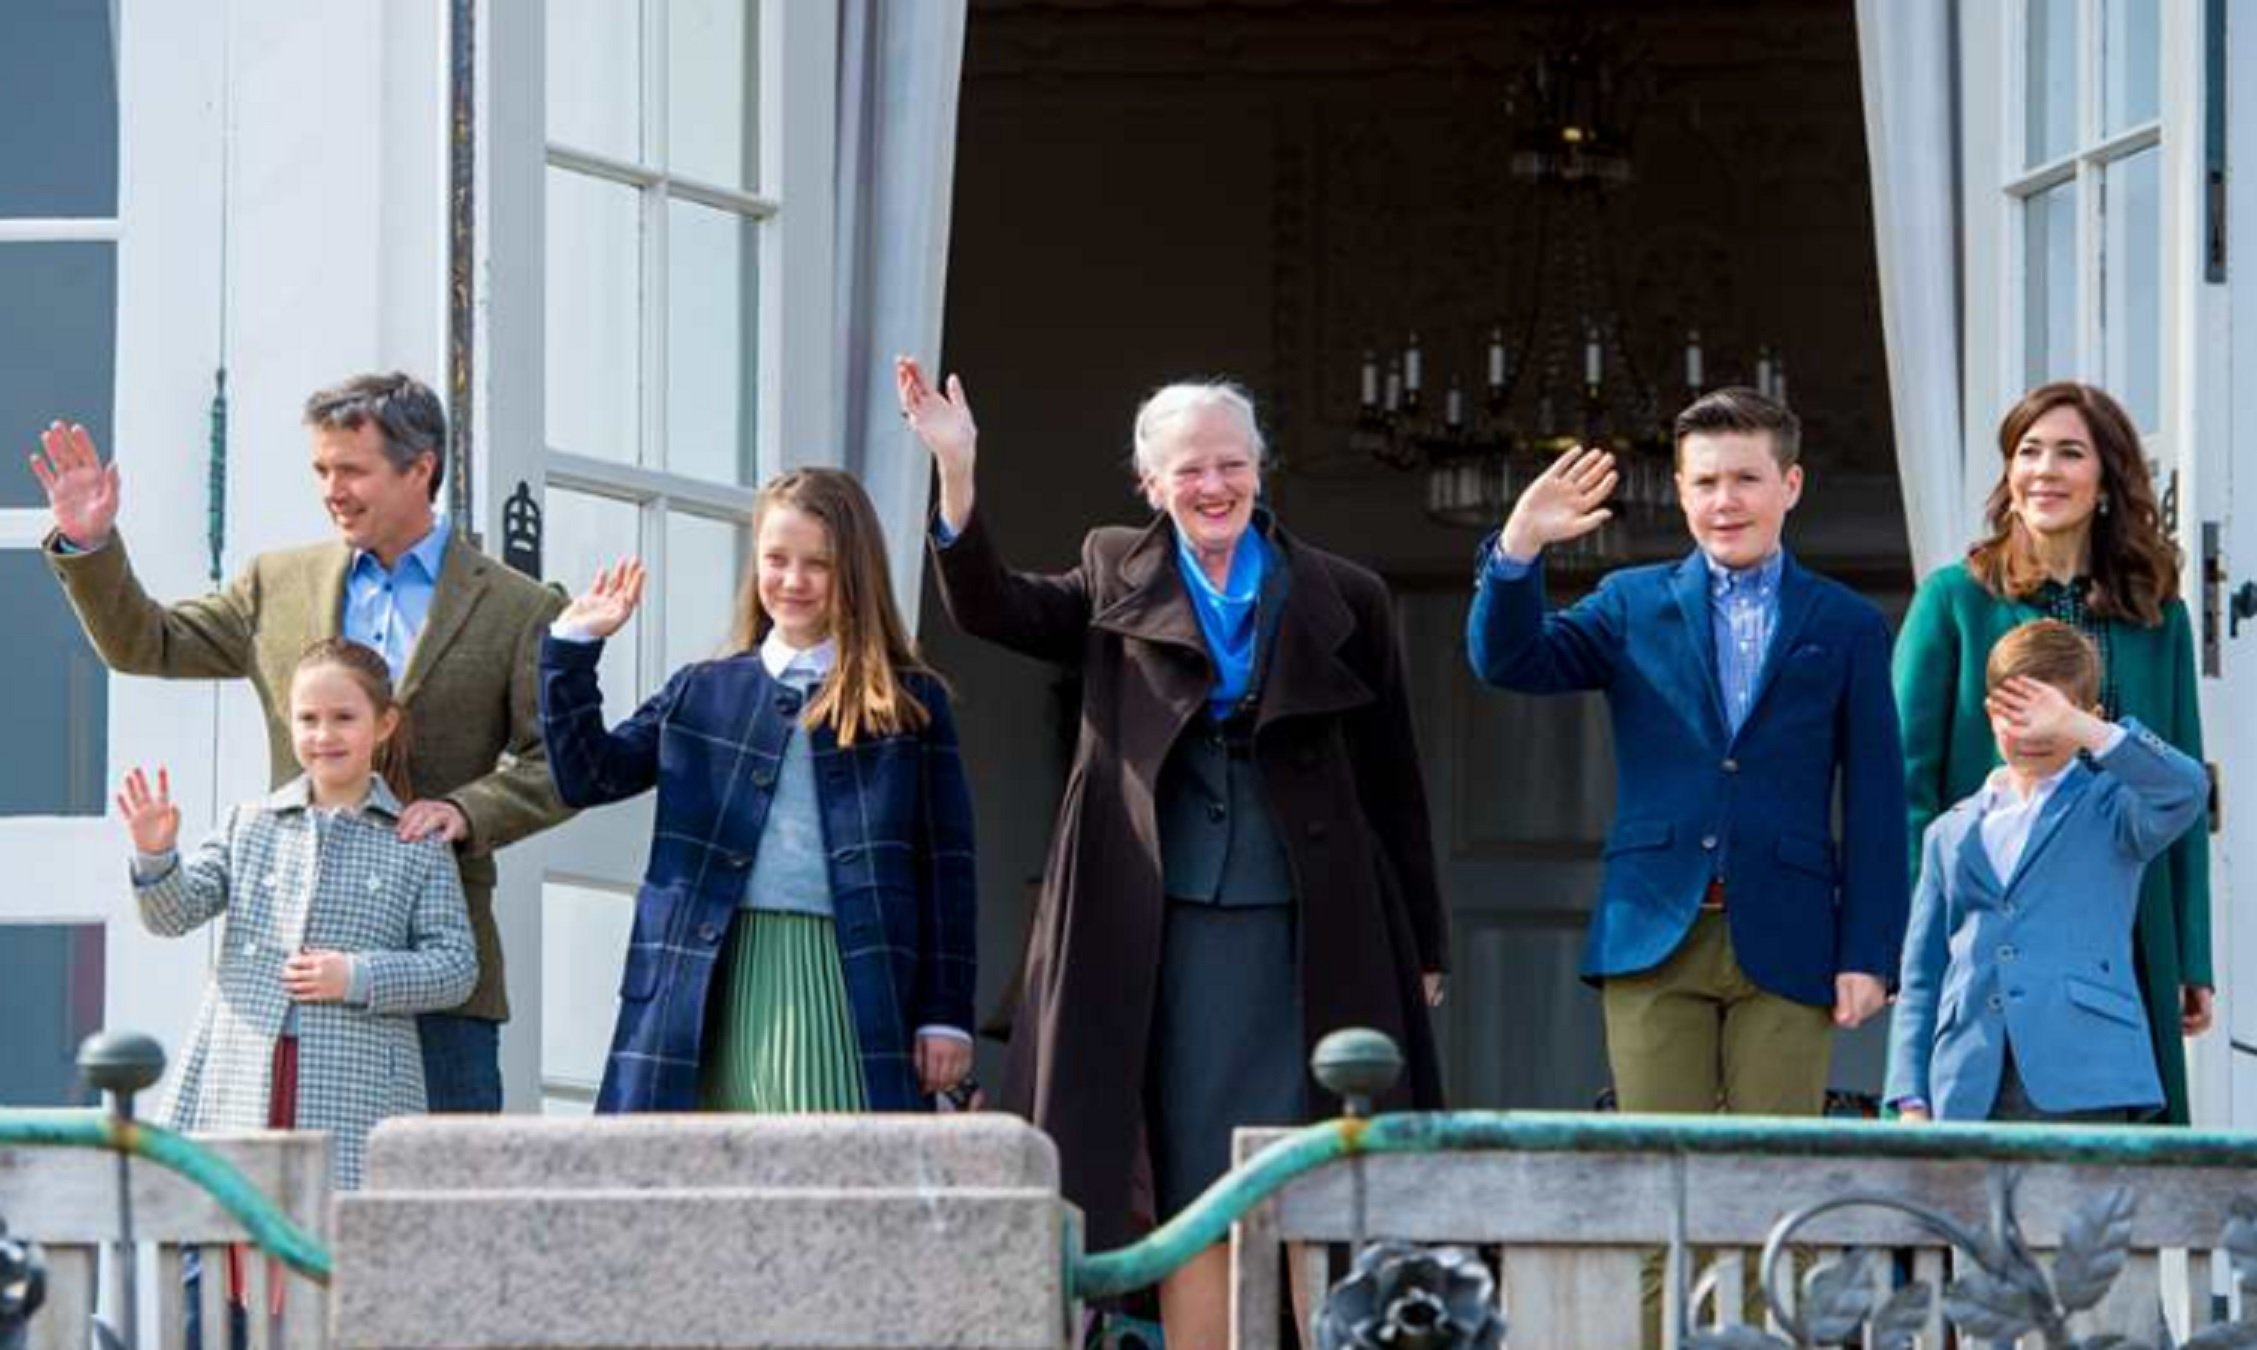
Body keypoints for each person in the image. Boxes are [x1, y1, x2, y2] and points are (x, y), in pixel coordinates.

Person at [901, 356, 1448, 1350]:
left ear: (1260, 471)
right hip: (1167, 916)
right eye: (1189, 470)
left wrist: (1424, 943)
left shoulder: (1345, 594)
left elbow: (1392, 778)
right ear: (1150, 483)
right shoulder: (1116, 568)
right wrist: (956, 471)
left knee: (1325, 1159)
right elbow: (991, 608)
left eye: (1231, 465)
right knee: (1199, 1168)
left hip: (1315, 915)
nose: (1213, 487)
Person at [29, 373, 570, 1111]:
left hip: (436, 975)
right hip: (292, 977)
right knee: (282, 1202)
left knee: (435, 1207)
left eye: (352, 470)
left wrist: (468, 811)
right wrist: (90, 545)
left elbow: (561, 764)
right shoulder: (275, 584)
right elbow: (146, 643)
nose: (331, 489)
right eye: (321, 469)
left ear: (421, 469)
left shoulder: (517, 606)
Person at [1466, 387, 1906, 1116]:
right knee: (1660, 1178)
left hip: (1789, 933)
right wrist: (1518, 549)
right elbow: (1507, 661)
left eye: (1745, 479)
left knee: (1774, 1180)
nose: (1723, 500)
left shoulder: (1845, 621)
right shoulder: (1629, 601)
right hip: (1652, 927)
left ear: (1789, 485)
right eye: (1704, 482)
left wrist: (1868, 951)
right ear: (1678, 491)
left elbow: (1875, 797)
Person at [538, 467, 977, 1113]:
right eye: (776, 559)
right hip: (699, 977)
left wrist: (945, 1013)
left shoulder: (911, 703)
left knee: (829, 1180)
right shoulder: (703, 689)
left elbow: (947, 869)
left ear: (854, 572)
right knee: (692, 1189)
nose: (792, 581)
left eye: (818, 564)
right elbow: (588, 775)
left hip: (847, 971)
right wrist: (571, 649)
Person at [1894, 381, 2210, 1123]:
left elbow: (2186, 784)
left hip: (2131, 907)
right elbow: (1904, 777)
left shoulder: (2156, 613)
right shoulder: (1953, 598)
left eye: (2069, 452)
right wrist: (1921, 923)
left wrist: (2189, 951)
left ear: (2106, 480)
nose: (2043, 470)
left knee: (2123, 1149)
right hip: (1993, 906)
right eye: (2026, 452)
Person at [119, 637, 477, 1190]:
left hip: (360, 1081)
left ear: (383, 724)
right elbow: (174, 915)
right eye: (308, 718)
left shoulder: (416, 840)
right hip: (240, 1068)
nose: (324, 735)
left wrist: (356, 975)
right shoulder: (249, 822)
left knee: (335, 1242)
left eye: (343, 717)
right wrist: (156, 854)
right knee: (236, 1236)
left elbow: (455, 967)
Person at [1886, 620, 2206, 1122]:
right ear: (1991, 713)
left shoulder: (2114, 811)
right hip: (1968, 1083)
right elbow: (1923, 973)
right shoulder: (1948, 833)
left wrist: (2084, 728)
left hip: (2086, 1072)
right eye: (2018, 714)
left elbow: (2186, 789)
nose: (2035, 733)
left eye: (2054, 718)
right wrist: (1910, 1095)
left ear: (2088, 721)